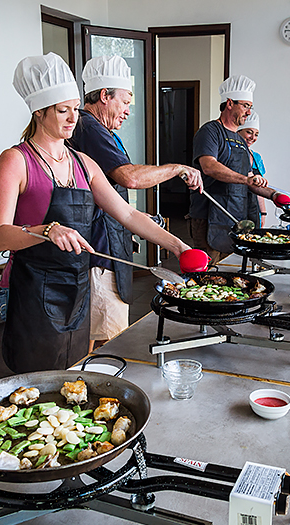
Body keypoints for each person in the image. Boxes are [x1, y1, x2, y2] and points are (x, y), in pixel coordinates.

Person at [0, 53, 206, 375]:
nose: (72, 118)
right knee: (37, 381)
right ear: (39, 111)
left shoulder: (83, 163)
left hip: (78, 288)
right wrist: (46, 230)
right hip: (35, 290)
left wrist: (179, 246)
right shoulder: (15, 160)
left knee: (77, 374)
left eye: (75, 109)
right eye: (63, 110)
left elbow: (129, 215)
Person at [69, 55, 203, 352]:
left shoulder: (101, 132)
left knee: (98, 336)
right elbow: (129, 177)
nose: (128, 111)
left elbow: (110, 197)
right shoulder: (89, 128)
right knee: (110, 341)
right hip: (98, 252)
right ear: (104, 96)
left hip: (106, 244)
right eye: (126, 101)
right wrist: (177, 168)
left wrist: (149, 224)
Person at [189, 75, 290, 263]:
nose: (249, 112)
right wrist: (246, 179)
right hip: (208, 217)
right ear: (229, 103)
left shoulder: (239, 141)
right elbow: (209, 166)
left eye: (250, 107)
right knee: (209, 271)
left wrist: (273, 195)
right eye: (245, 106)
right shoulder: (210, 131)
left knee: (231, 268)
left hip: (235, 217)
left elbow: (250, 179)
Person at [238, 111, 267, 227]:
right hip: (236, 206)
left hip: (253, 208)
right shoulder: (230, 154)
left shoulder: (257, 157)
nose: (252, 138)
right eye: (249, 132)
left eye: (256, 134)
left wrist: (263, 213)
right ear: (238, 132)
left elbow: (260, 190)